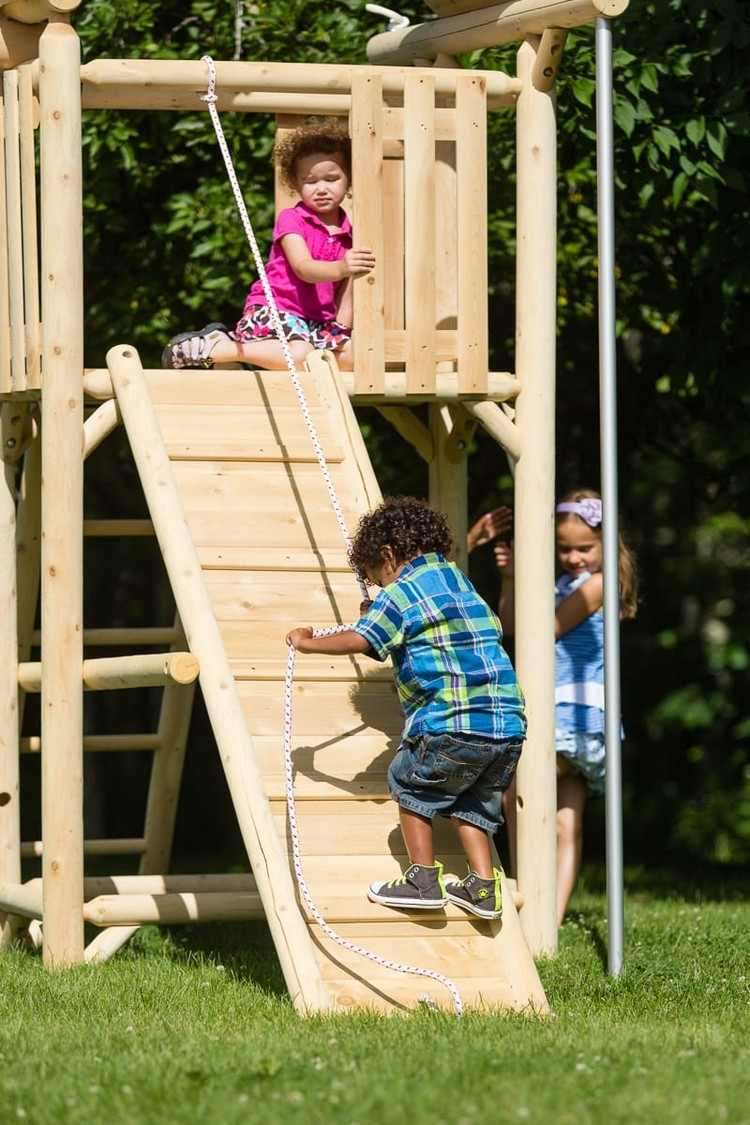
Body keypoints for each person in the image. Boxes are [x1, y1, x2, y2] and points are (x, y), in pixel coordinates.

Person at [286, 497, 526, 920]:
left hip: (451, 723)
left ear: (387, 556)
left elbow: (362, 640)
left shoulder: (400, 594)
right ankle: (484, 887)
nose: (378, 587)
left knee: (410, 782)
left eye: (375, 579)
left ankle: (422, 880)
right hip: (507, 727)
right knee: (474, 802)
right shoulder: (457, 581)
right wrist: (381, 611)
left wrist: (306, 642)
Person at [495, 488, 638, 925]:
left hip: (571, 714)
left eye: (584, 548)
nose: (574, 557)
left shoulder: (600, 582)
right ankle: (547, 917)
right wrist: (511, 578)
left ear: (607, 544)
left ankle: (528, 893)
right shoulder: (567, 583)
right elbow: (511, 623)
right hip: (580, 718)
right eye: (564, 549)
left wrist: (524, 574)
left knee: (513, 790)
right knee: (564, 821)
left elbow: (544, 629)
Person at [161, 122, 375, 372]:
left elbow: (346, 294)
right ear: (295, 184)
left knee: (356, 358)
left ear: (348, 179)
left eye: (331, 179)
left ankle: (246, 355)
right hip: (278, 312)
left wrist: (340, 332)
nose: (321, 189)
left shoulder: (352, 235)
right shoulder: (291, 219)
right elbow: (303, 268)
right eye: (310, 181)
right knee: (303, 354)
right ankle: (218, 349)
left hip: (316, 324)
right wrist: (341, 267)